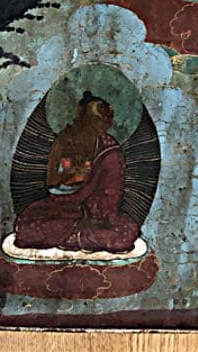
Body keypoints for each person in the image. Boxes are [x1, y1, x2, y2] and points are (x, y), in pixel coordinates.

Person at [13, 92, 140, 253]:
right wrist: (72, 176)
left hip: (97, 214)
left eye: (102, 122)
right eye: (93, 121)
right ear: (82, 118)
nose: (98, 127)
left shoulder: (109, 150)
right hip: (64, 205)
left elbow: (111, 194)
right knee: (26, 227)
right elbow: (52, 181)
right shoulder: (65, 140)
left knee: (125, 232)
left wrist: (93, 208)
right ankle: (78, 237)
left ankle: (75, 237)